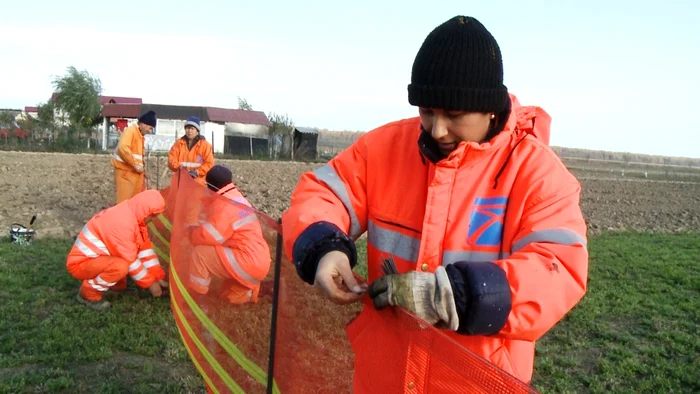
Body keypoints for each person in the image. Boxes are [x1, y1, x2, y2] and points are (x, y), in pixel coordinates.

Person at [281, 16, 589, 386]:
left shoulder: (536, 172)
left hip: (474, 382)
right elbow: (322, 193)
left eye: (454, 115)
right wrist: (325, 250)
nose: (437, 129)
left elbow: (558, 268)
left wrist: (453, 296)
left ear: (490, 108)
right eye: (427, 111)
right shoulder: (383, 149)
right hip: (384, 377)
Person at [66, 189, 169, 310]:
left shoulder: (133, 218)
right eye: (153, 215)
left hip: (97, 258)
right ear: (146, 211)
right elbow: (131, 260)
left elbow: (145, 250)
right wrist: (151, 283)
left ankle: (116, 287)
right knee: (121, 266)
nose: (153, 219)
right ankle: (88, 294)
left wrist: (158, 277)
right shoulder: (123, 224)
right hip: (81, 263)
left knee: (121, 261)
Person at [187, 165, 271, 304]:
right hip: (258, 260)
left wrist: (192, 234)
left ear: (211, 186)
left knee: (199, 254)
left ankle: (196, 298)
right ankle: (264, 289)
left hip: (246, 260)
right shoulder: (235, 196)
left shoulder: (225, 205)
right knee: (228, 296)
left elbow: (211, 236)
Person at [112, 110, 157, 203]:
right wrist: (135, 164)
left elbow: (138, 157)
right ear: (143, 124)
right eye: (150, 128)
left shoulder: (139, 135)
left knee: (134, 204)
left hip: (134, 175)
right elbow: (123, 148)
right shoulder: (131, 131)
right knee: (124, 204)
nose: (150, 131)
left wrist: (144, 171)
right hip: (126, 174)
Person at [168, 116, 215, 186]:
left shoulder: (205, 145)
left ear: (197, 131)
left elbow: (209, 164)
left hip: (198, 184)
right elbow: (171, 160)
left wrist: (197, 172)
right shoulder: (178, 144)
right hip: (181, 182)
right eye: (187, 128)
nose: (189, 131)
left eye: (192, 128)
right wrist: (180, 168)